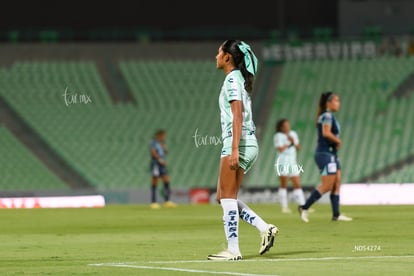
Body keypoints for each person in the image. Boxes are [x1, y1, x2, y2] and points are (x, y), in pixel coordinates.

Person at [207, 40, 279, 261]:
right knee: (223, 197)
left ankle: (233, 250)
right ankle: (264, 227)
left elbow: (237, 115)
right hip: (248, 141)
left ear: (228, 57)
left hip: (237, 142)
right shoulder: (239, 79)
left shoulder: (231, 80)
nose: (216, 54)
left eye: (220, 51)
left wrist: (234, 149)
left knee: (227, 198)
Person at [298, 92, 352, 222]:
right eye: (336, 100)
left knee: (337, 183)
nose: (338, 103)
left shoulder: (328, 116)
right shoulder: (327, 115)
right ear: (328, 103)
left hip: (331, 154)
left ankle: (336, 215)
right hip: (325, 154)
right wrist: (338, 141)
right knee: (327, 185)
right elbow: (326, 133)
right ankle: (304, 207)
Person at [273, 118, 306, 213]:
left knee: (297, 183)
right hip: (283, 162)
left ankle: (303, 206)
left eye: (288, 125)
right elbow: (280, 149)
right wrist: (288, 142)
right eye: (285, 125)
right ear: (281, 127)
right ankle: (284, 207)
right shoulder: (278, 136)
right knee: (284, 184)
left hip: (292, 162)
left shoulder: (293, 134)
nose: (287, 127)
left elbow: (298, 147)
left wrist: (294, 142)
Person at [149, 129, 177, 209]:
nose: (164, 137)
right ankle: (153, 202)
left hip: (161, 164)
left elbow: (165, 152)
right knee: (155, 181)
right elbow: (153, 153)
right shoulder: (153, 142)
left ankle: (167, 201)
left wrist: (164, 148)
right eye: (163, 136)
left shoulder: (161, 143)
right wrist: (161, 161)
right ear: (159, 135)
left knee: (166, 180)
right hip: (156, 164)